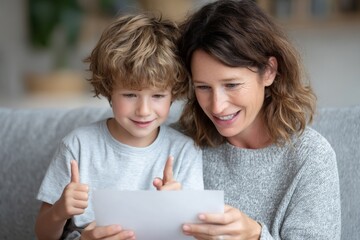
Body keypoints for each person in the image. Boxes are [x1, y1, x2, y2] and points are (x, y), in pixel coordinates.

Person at [177, 0, 341, 239]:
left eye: (231, 85)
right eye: (203, 87)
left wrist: (255, 235)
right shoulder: (176, 144)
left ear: (269, 71)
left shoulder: (310, 158)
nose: (217, 105)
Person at [35, 13, 203, 240]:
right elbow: (42, 235)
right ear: (108, 90)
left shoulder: (184, 151)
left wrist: (178, 207)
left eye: (157, 95)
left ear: (173, 94)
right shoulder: (78, 146)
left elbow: (197, 233)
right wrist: (59, 211)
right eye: (130, 94)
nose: (144, 110)